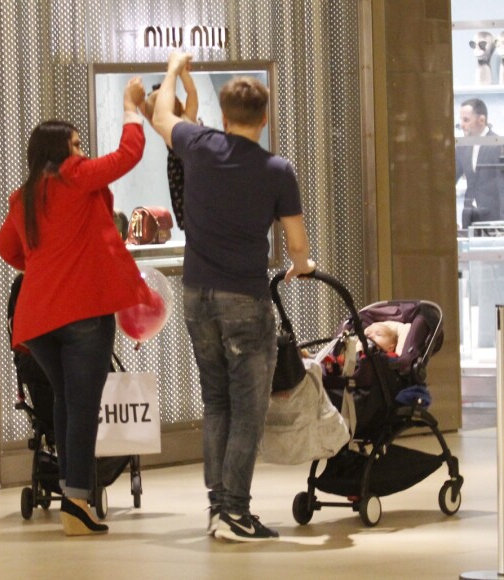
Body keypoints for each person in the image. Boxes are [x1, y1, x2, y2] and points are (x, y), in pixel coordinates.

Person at [152, 52, 316, 542]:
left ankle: (218, 507)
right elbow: (298, 243)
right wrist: (301, 266)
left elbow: (162, 113)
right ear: (265, 119)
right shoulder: (276, 169)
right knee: (248, 408)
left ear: (224, 117)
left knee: (217, 401)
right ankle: (235, 511)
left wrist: (174, 69)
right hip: (244, 298)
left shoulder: (198, 144)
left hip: (195, 294)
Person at [0, 77, 152, 537]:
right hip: (82, 313)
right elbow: (129, 156)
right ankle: (78, 503)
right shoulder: (76, 177)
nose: (82, 152)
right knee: (82, 406)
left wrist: (45, 265)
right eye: (76, 144)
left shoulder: (22, 196)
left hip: (35, 320)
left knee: (65, 401)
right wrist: (130, 109)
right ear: (59, 153)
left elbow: (9, 249)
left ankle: (71, 489)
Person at [140, 68, 199, 230]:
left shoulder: (171, 134)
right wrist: (183, 73)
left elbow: (148, 115)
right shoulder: (188, 121)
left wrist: (137, 102)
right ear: (180, 104)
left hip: (187, 197)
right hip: (196, 188)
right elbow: (191, 92)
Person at [455, 98, 504, 227]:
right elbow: (448, 180)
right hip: (469, 217)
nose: (462, 125)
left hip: (495, 218)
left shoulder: (498, 145)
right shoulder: (462, 147)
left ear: (481, 120)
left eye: (466, 120)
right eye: (460, 120)